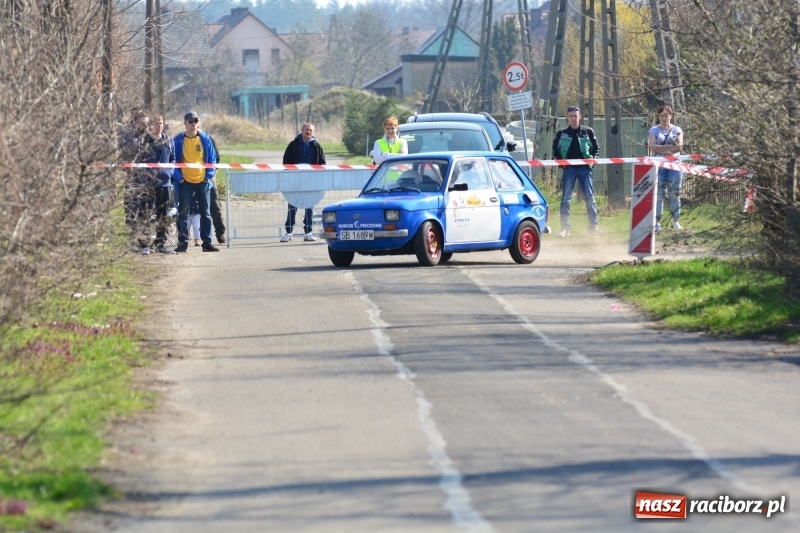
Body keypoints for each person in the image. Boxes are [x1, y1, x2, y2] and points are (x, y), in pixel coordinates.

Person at [172, 111, 219, 252]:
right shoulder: (178, 140)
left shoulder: (205, 139)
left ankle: (207, 243)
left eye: (196, 121)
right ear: (185, 123)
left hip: (202, 181)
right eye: (190, 121)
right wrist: (179, 178)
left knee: (206, 213)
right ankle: (182, 244)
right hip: (185, 181)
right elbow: (172, 161)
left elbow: (212, 160)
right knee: (183, 213)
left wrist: (208, 176)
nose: (193, 124)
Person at [552, 105, 601, 237]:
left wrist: (593, 160)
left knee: (590, 198)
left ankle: (593, 226)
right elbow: (555, 150)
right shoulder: (561, 133)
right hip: (569, 169)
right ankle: (565, 228)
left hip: (585, 169)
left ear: (580, 116)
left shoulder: (588, 131)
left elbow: (596, 149)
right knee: (566, 199)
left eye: (576, 115)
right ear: (567, 117)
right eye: (571, 116)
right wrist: (560, 163)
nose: (574, 118)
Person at [281, 123, 326, 242]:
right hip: (295, 181)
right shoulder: (293, 145)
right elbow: (286, 162)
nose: (308, 132)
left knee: (309, 207)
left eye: (311, 130)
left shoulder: (316, 146)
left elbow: (322, 163)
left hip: (311, 182)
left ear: (313, 132)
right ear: (302, 131)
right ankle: (289, 232)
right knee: (292, 206)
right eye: (306, 129)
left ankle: (308, 232)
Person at [138, 115, 176, 255]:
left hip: (164, 183)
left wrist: (170, 171)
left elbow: (173, 159)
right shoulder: (143, 141)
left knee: (163, 215)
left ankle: (160, 244)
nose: (159, 125)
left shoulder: (169, 140)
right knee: (145, 214)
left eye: (161, 123)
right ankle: (144, 245)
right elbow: (137, 160)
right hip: (147, 183)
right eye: (156, 123)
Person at [648, 104, 685, 232]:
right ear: (659, 117)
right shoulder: (654, 130)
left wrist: (662, 148)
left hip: (675, 166)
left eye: (666, 116)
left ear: (671, 116)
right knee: (659, 194)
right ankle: (657, 222)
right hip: (659, 166)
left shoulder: (677, 130)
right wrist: (669, 148)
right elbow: (652, 146)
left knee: (675, 193)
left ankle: (676, 221)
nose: (664, 118)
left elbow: (679, 146)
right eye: (662, 116)